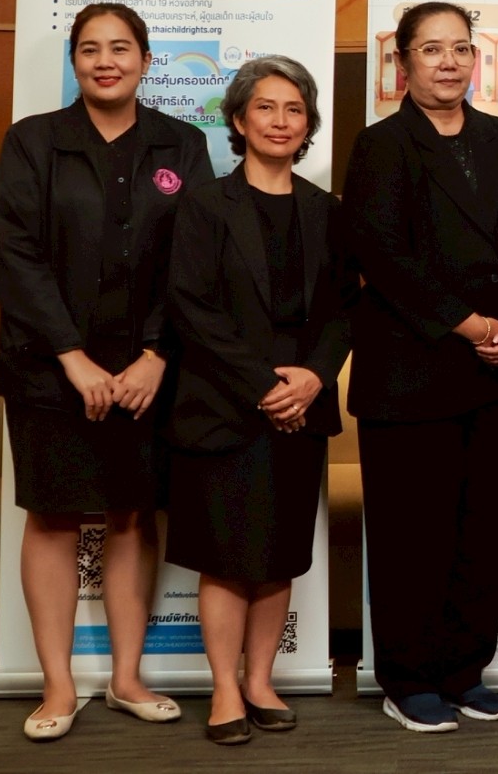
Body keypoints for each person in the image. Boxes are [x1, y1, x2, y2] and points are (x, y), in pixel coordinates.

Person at [0, 3, 211, 741]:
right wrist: (71, 355)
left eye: (120, 48)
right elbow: (12, 253)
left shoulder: (183, 143)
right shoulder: (33, 141)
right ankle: (57, 684)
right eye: (89, 49)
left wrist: (156, 354)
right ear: (74, 61)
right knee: (52, 516)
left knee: (132, 515)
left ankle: (126, 677)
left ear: (145, 59)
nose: (105, 61)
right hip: (49, 369)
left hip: (148, 373)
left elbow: (196, 260)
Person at [343, 2, 498, 733]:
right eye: (432, 49)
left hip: (497, 371)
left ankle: (464, 670)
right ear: (403, 62)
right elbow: (382, 256)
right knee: (412, 536)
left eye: (461, 48)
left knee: (480, 532)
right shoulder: (381, 145)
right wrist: (472, 324)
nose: (450, 62)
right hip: (411, 372)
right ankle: (407, 678)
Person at [164, 57, 354, 745]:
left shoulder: (327, 210)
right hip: (223, 402)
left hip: (302, 404)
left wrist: (314, 377)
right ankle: (223, 688)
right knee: (226, 555)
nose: (280, 121)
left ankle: (260, 680)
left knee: (279, 554)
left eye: (294, 109)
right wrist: (264, 385)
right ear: (239, 121)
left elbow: (343, 308)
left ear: (308, 124)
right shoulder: (204, 205)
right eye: (266, 108)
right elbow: (191, 306)